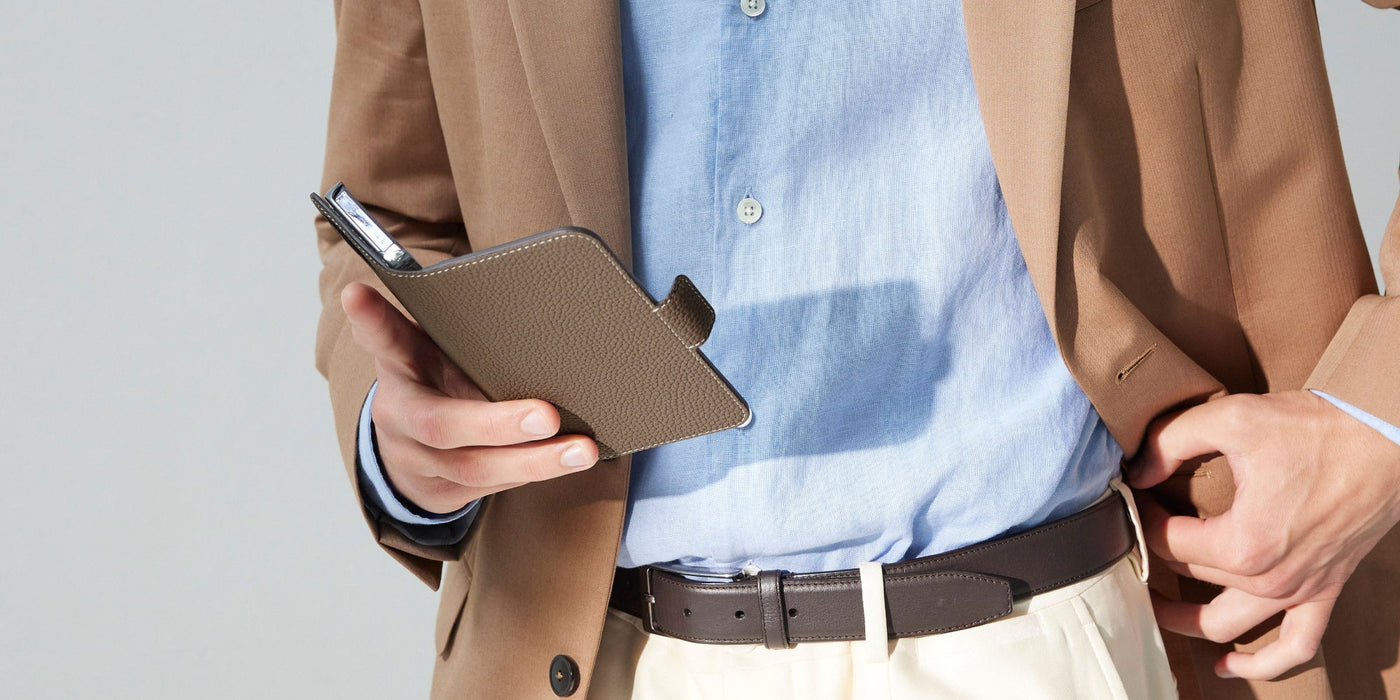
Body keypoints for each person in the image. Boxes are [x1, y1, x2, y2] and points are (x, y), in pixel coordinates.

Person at [312, 0, 1400, 697]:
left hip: (1037, 651)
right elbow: (388, 204)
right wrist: (408, 441)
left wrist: (1379, 412)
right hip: (602, 661)